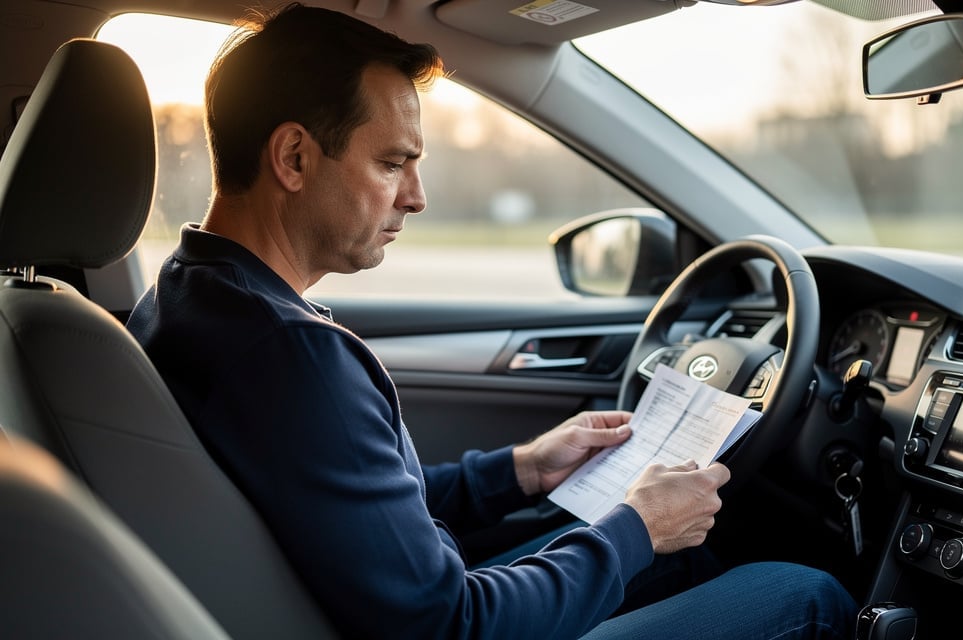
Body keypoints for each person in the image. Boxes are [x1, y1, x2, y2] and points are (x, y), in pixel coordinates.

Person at [126, 3, 857, 638]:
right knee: (806, 595)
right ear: (293, 156)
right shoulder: (290, 354)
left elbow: (352, 512)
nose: (415, 197)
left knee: (687, 556)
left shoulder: (189, 295)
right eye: (391, 164)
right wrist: (636, 527)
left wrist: (523, 470)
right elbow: (455, 623)